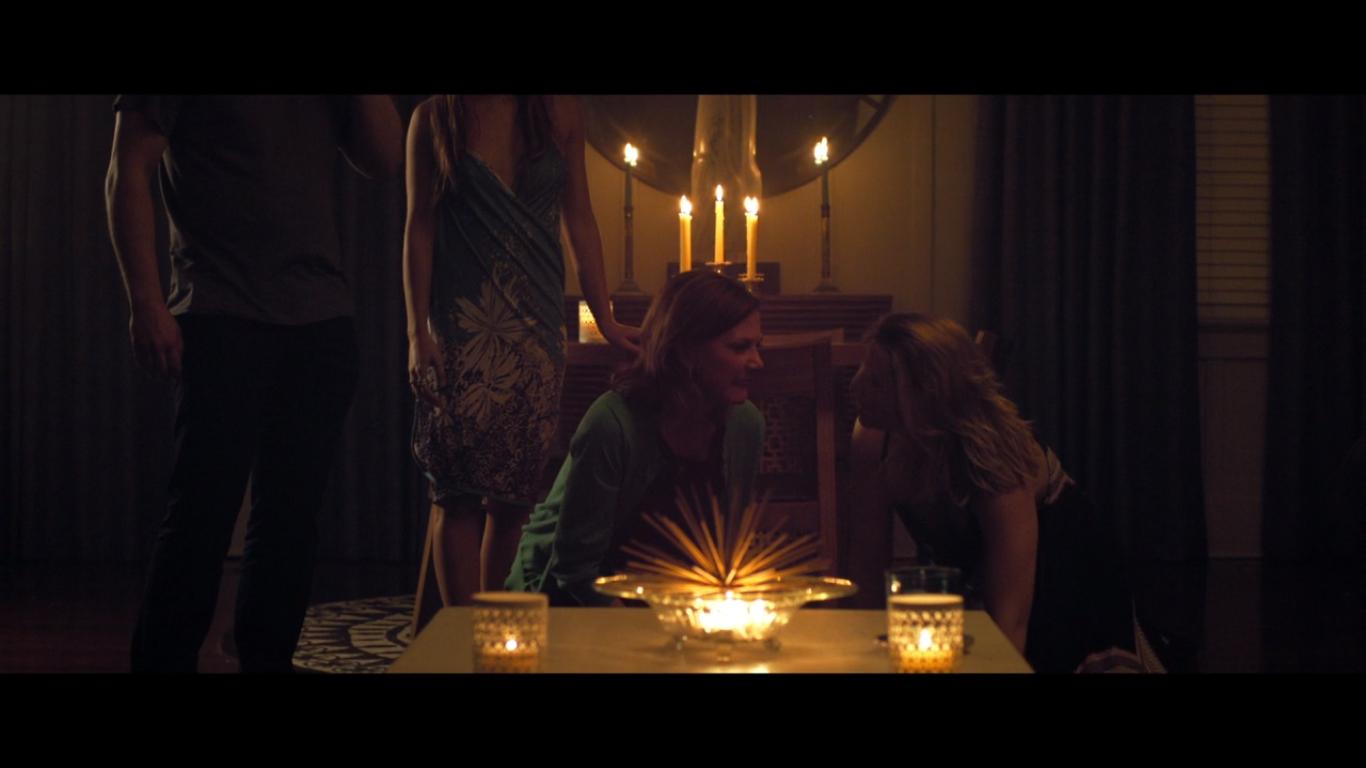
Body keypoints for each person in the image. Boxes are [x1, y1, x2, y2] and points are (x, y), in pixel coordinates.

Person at [106, 94, 403, 672]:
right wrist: (145, 301)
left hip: (319, 319)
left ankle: (269, 661)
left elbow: (386, 159)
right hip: (220, 313)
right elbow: (128, 168)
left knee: (291, 524)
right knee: (200, 518)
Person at [403, 95, 638, 622]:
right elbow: (419, 227)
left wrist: (604, 316)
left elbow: (580, 219)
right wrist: (417, 332)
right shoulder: (434, 118)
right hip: (463, 327)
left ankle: (497, 633)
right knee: (457, 495)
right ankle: (461, 636)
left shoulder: (560, 111)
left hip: (536, 330)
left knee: (514, 499)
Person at [847, 313, 1144, 672]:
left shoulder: (991, 457)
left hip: (1065, 581)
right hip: (979, 575)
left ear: (923, 395)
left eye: (876, 382)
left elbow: (1010, 620)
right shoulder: (872, 436)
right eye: (863, 370)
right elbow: (867, 560)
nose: (855, 387)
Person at [506, 270, 765, 605]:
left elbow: (730, 553)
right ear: (686, 349)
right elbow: (575, 571)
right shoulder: (611, 424)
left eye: (758, 346)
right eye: (740, 347)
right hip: (566, 603)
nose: (758, 362)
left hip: (672, 601)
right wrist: (638, 625)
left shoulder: (745, 425)